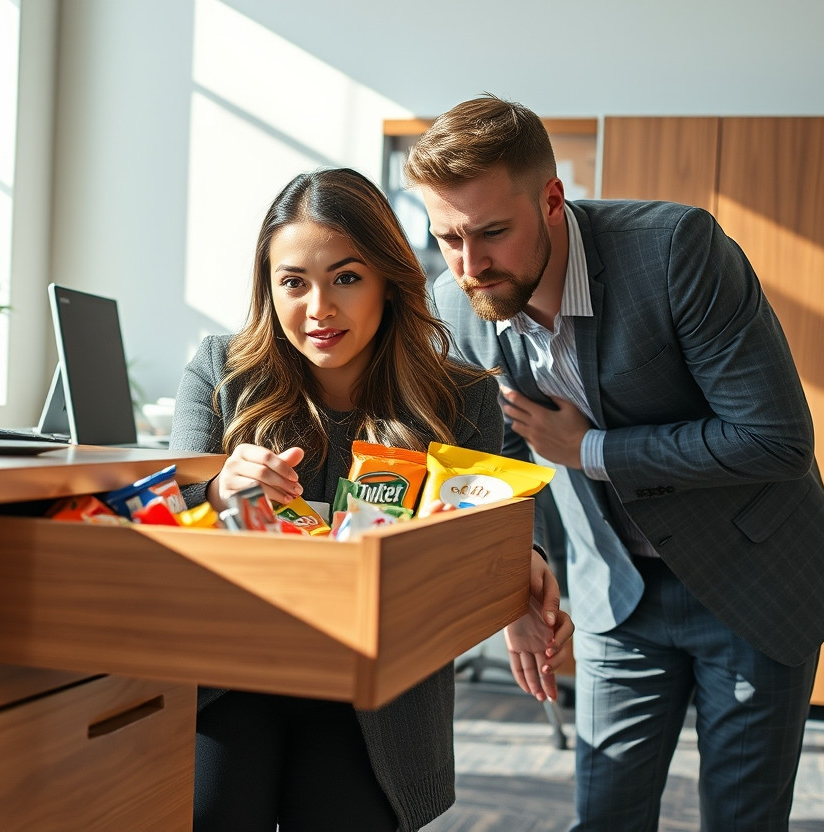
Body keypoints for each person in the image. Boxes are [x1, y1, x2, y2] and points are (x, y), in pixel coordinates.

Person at [405, 96, 824, 831]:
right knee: (605, 816)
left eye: (491, 232)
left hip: (750, 581)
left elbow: (775, 437)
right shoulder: (460, 305)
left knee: (743, 818)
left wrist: (589, 450)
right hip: (616, 591)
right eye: (447, 236)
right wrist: (516, 588)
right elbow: (504, 458)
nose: (470, 264)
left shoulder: (676, 250)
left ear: (553, 200)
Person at [169, 167, 574, 832]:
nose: (319, 309)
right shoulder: (220, 371)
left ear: (388, 278)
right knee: (207, 811)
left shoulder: (458, 395)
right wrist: (215, 489)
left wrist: (517, 572)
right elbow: (169, 500)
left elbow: (498, 506)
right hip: (230, 675)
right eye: (293, 282)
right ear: (269, 289)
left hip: (375, 698)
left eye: (346, 278)